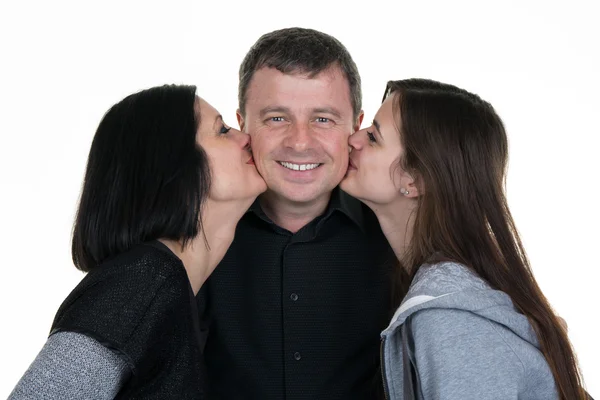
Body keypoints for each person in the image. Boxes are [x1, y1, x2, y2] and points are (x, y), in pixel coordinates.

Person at [9, 84, 266, 399]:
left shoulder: (175, 291)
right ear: (174, 165)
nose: (244, 138)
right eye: (222, 130)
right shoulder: (143, 281)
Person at [340, 78, 588, 399]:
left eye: (373, 137)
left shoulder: (450, 319)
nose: (353, 139)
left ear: (415, 179)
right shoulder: (451, 294)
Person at [198, 28, 397, 399]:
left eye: (323, 119)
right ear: (243, 126)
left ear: (356, 126)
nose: (300, 142)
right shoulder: (191, 243)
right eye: (276, 118)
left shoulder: (400, 238)